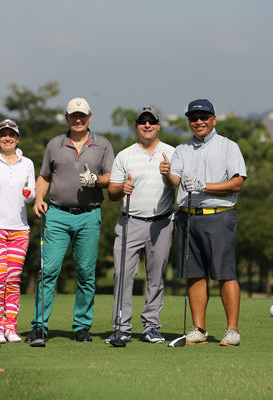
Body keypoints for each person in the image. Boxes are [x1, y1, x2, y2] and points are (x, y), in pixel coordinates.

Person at [26, 97, 114, 343]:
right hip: (56, 214)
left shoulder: (103, 145)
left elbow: (111, 178)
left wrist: (95, 180)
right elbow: (44, 177)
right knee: (48, 271)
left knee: (86, 273)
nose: (78, 119)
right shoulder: (54, 145)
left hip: (89, 215)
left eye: (82, 115)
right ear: (66, 117)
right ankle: (40, 326)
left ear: (90, 117)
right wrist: (39, 199)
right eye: (73, 115)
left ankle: (82, 327)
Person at [160, 99, 247, 346]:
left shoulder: (228, 147)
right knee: (194, 274)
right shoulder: (182, 150)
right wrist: (166, 174)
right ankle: (199, 329)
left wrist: (204, 186)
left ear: (213, 119)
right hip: (188, 217)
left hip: (219, 216)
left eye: (203, 117)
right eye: (193, 118)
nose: (198, 122)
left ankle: (232, 331)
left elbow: (237, 182)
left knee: (225, 273)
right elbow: (173, 183)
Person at [105, 106, 176, 345]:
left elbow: (174, 185)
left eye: (152, 121)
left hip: (162, 223)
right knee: (122, 275)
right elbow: (113, 193)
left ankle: (151, 326)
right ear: (136, 126)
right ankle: (121, 327)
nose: (147, 125)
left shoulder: (171, 153)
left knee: (156, 277)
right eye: (142, 121)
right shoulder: (124, 155)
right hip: (130, 222)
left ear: (158, 126)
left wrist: (166, 174)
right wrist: (120, 189)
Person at [0, 118, 36, 344]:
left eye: (11, 134)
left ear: (18, 138)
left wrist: (30, 195)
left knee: (13, 279)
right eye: (3, 134)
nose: (7, 138)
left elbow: (30, 195)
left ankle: (11, 327)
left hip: (20, 229)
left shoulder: (27, 163)